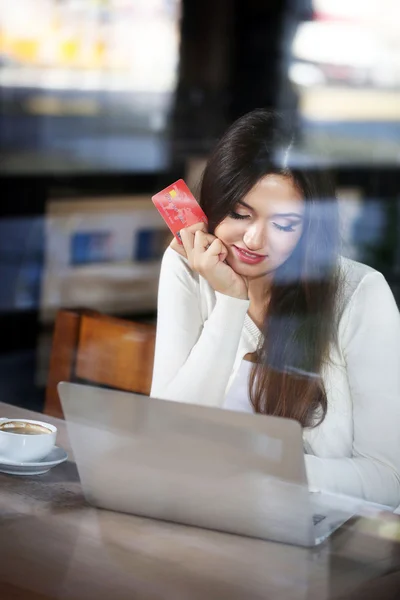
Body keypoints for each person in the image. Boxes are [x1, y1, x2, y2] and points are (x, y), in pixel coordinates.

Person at [151, 109, 400, 508]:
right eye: (238, 214)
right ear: (214, 204)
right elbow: (166, 437)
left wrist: (254, 469)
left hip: (317, 538)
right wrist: (231, 302)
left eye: (284, 225)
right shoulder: (186, 265)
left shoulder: (360, 295)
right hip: (201, 513)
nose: (253, 239)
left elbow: (387, 479)